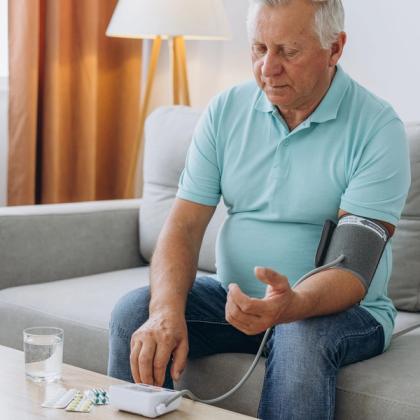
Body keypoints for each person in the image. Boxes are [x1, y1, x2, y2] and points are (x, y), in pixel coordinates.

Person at [108, 0, 411, 418]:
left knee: (299, 336)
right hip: (234, 300)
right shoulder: (225, 112)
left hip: (344, 312)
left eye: (288, 51)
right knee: (135, 313)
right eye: (259, 48)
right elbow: (183, 227)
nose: (268, 68)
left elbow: (353, 268)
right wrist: (164, 310)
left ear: (335, 48)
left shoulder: (378, 128)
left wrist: (290, 305)